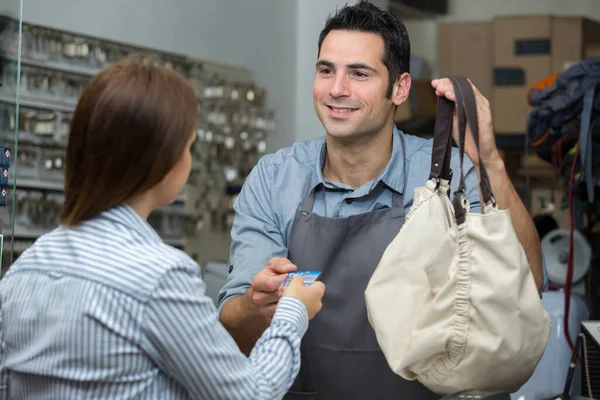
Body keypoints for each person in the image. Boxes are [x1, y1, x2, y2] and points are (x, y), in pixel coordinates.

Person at [218, 2, 548, 399]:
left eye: (359, 73)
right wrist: (258, 304)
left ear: (400, 88)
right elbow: (234, 327)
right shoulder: (275, 180)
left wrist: (490, 162)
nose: (337, 89)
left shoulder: (450, 173)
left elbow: (526, 284)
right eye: (326, 70)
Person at [0, 54, 326, 400]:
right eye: (188, 147)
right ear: (163, 162)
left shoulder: (24, 270)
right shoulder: (159, 277)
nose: (188, 159)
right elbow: (251, 395)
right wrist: (292, 310)